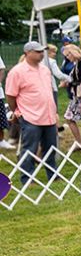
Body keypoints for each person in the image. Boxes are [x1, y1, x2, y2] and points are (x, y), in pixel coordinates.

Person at [5, 42, 61, 185]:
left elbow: (49, 92)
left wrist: (54, 112)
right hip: (30, 117)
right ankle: (27, 178)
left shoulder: (45, 70)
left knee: (51, 148)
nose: (41, 54)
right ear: (27, 53)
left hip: (48, 116)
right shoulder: (17, 72)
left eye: (42, 51)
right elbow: (10, 95)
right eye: (38, 51)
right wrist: (17, 112)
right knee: (30, 148)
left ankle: (53, 175)